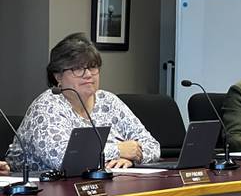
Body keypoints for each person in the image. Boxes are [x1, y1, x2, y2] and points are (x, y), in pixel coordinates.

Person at [5, 33, 160, 171]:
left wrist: (129, 160)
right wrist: (119, 150)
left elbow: (153, 146)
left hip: (100, 185)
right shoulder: (46, 106)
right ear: (58, 76)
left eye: (92, 67)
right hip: (41, 194)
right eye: (78, 69)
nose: (88, 75)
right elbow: (64, 159)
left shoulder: (109, 101)